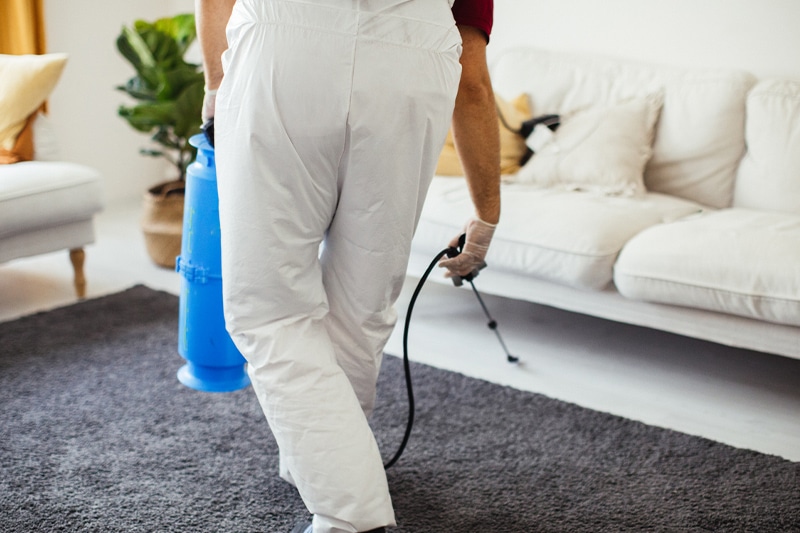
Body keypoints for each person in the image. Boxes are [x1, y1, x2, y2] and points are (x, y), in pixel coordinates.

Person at [194, 1, 499, 532]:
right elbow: (470, 76)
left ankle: (350, 515)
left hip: (284, 47)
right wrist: (486, 214)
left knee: (270, 310)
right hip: (414, 61)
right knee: (362, 304)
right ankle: (323, 463)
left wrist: (218, 86)